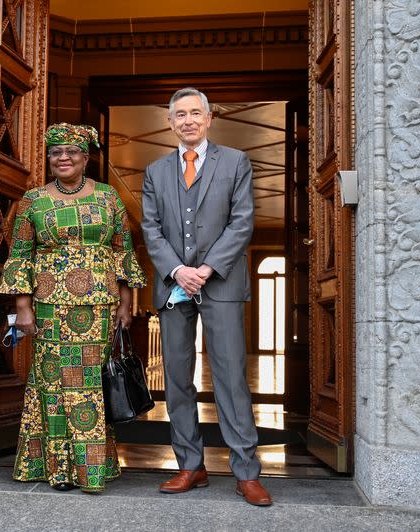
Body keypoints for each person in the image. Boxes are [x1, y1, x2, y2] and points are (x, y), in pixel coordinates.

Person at [141, 88, 272, 506]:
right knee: (178, 380)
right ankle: (190, 466)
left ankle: (246, 472)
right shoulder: (155, 171)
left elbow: (242, 221)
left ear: (210, 118)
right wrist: (178, 270)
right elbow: (151, 229)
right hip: (174, 285)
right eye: (180, 114)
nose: (188, 120)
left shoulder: (235, 162)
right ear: (170, 122)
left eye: (195, 112)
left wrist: (206, 269)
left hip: (222, 283)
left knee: (232, 377)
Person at [0, 123, 146, 493]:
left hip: (98, 305)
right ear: (49, 158)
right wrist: (23, 307)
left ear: (85, 157)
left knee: (89, 385)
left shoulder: (109, 197)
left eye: (71, 152)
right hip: (49, 305)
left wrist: (127, 303)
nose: (62, 158)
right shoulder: (34, 200)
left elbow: (123, 251)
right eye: (55, 153)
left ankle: (92, 470)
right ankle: (57, 469)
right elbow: (20, 255)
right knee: (52, 382)